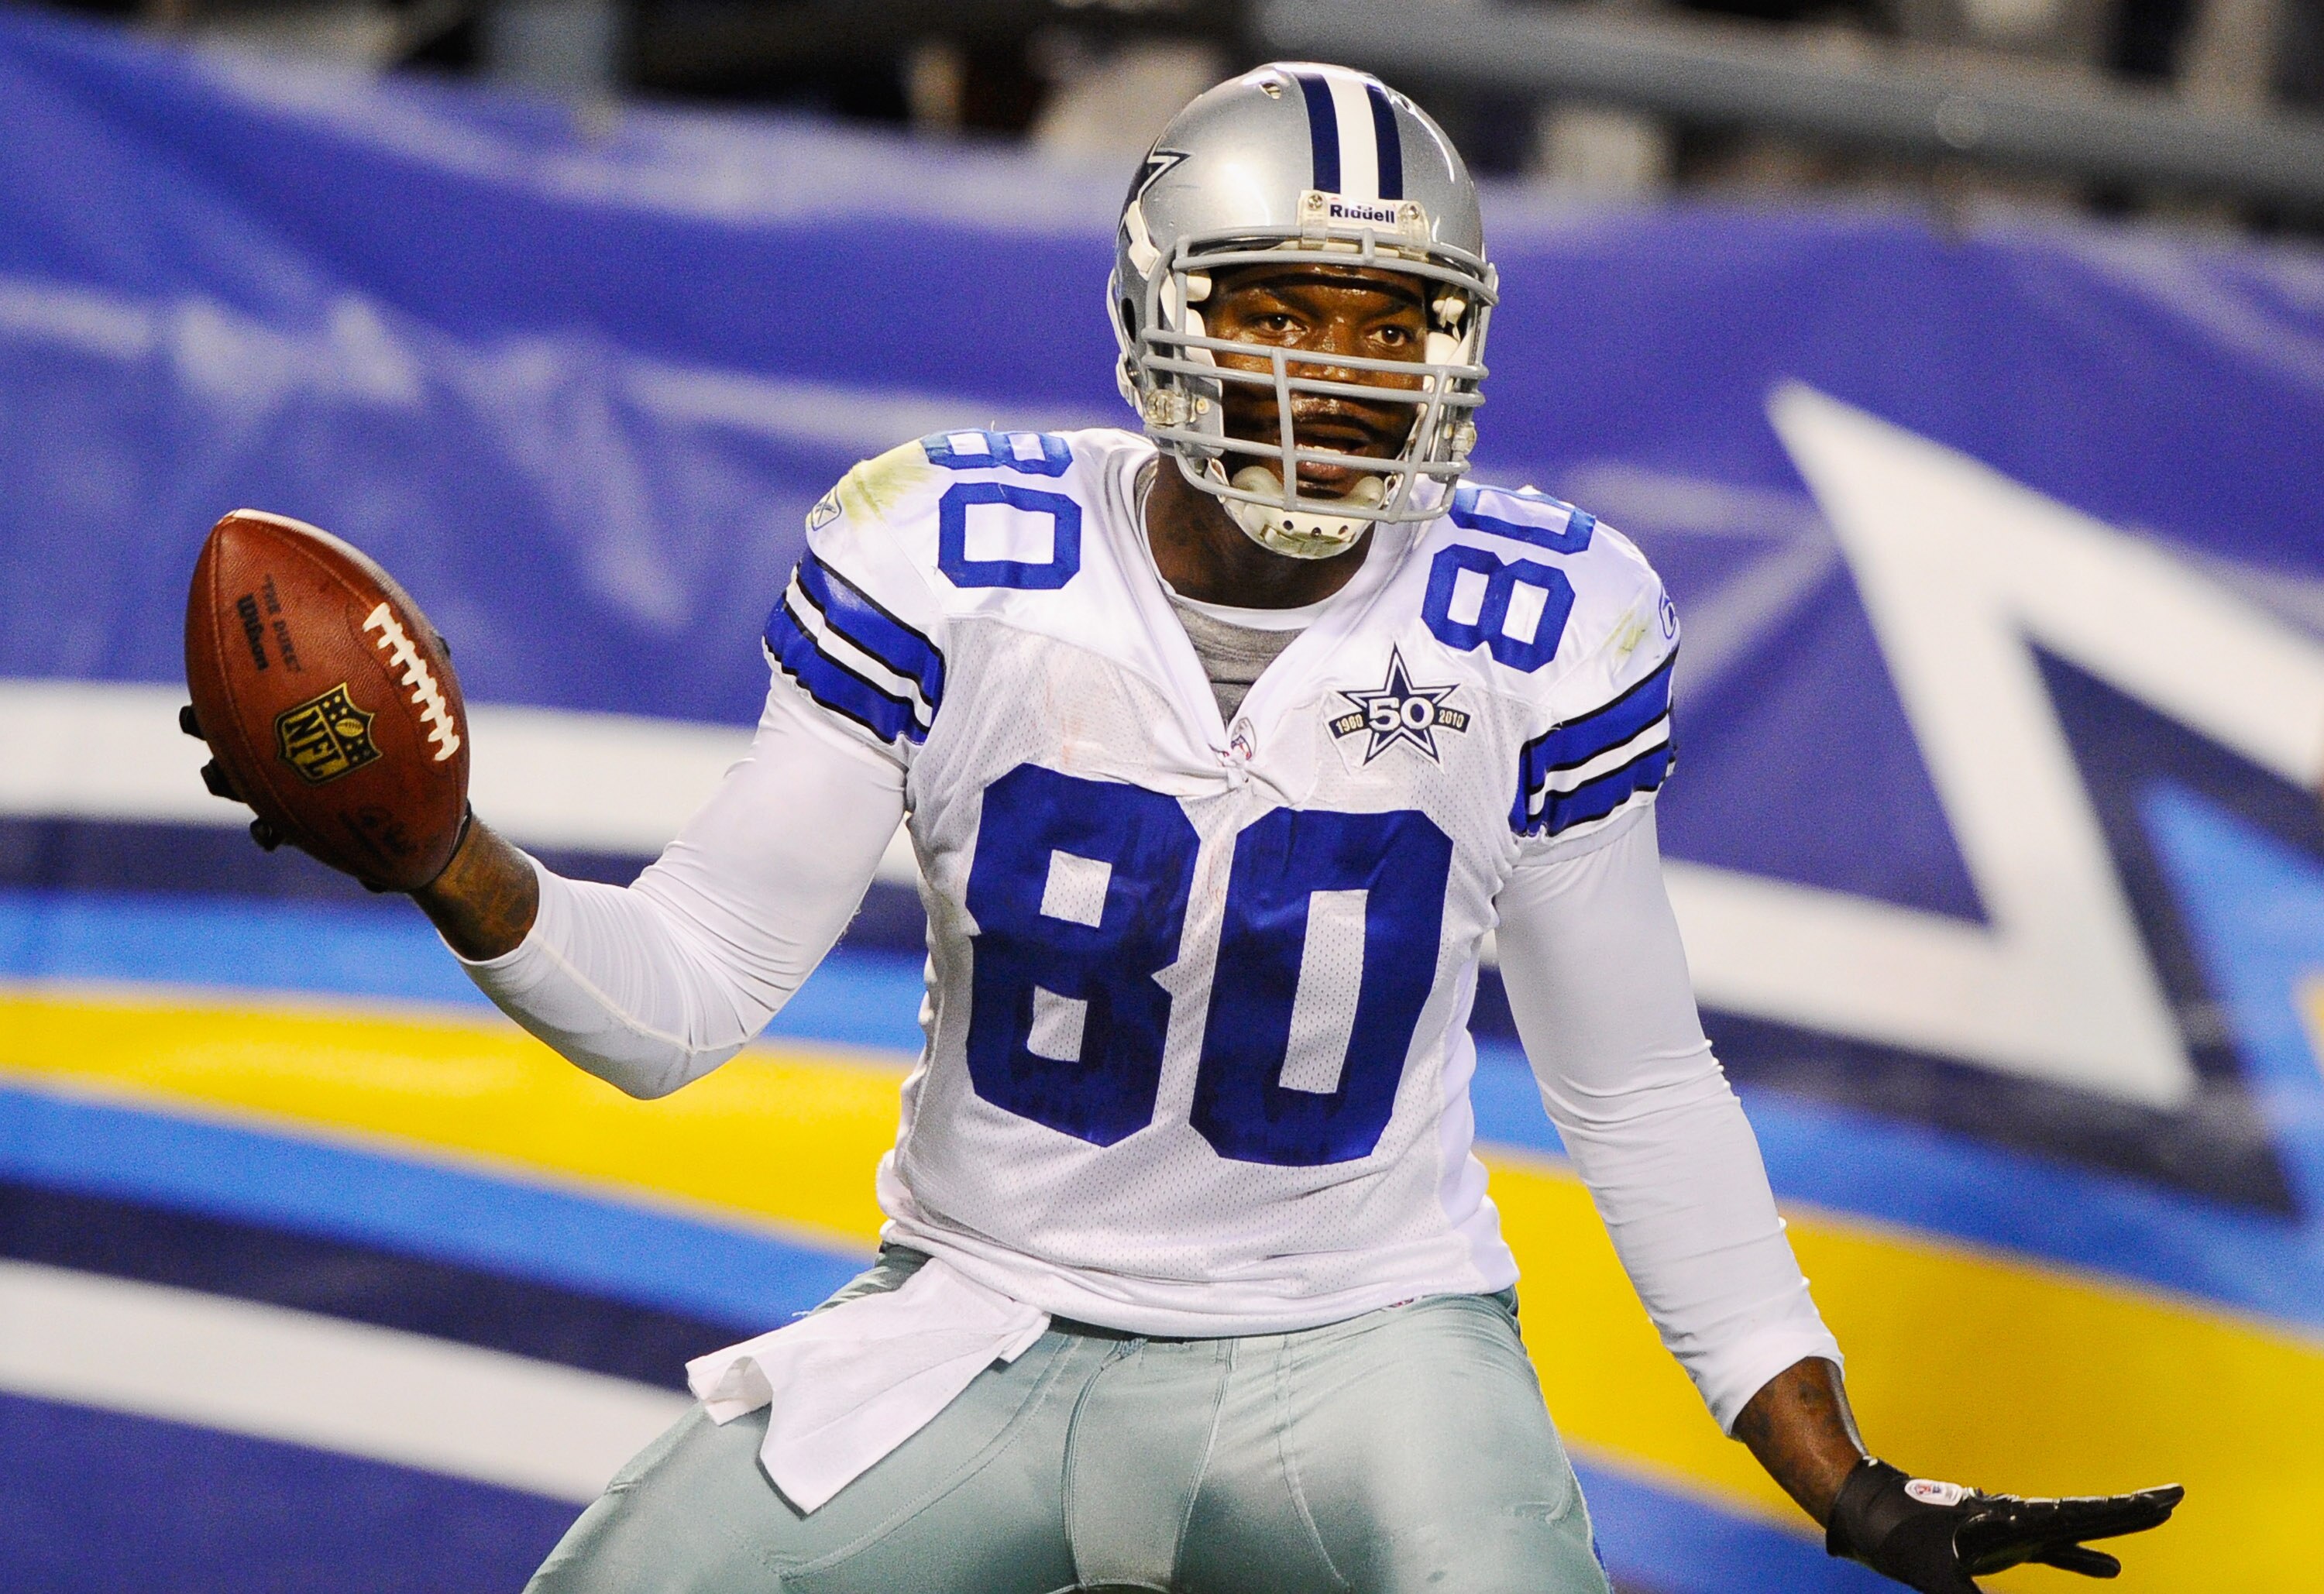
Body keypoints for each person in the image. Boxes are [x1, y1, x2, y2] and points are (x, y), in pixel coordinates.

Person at [212, 62, 2178, 1594]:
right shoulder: (956, 557)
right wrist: (446, 858)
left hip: (1365, 1351)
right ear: (1167, 317)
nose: (1339, 375)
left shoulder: (1543, 624)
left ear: (1456, 351)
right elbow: (686, 999)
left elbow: (1639, 1088)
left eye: (1390, 324)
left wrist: (1840, 1479)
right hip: (981, 1318)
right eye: (1284, 310)